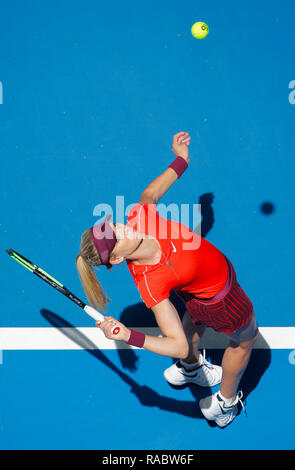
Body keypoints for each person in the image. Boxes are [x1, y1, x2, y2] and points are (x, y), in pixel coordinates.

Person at [76, 132, 259, 428]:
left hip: (197, 295)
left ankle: (190, 370)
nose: (122, 229)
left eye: (114, 226)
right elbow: (176, 345)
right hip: (221, 299)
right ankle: (224, 404)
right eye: (115, 238)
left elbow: (150, 195)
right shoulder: (151, 281)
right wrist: (128, 336)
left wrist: (181, 160)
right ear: (119, 259)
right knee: (245, 341)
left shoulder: (139, 217)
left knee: (193, 318)